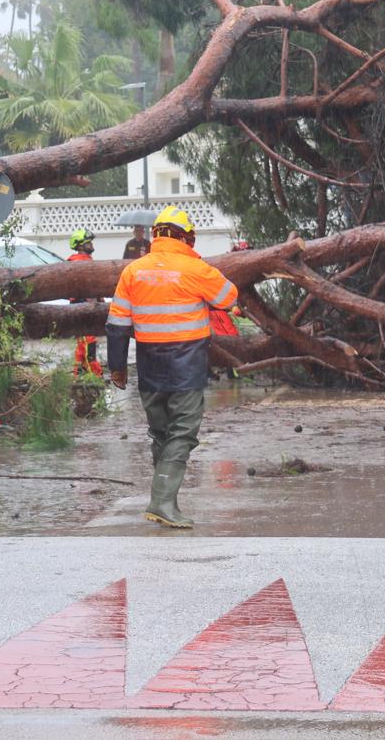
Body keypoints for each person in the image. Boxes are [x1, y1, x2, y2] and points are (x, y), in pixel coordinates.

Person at [106, 206, 238, 529]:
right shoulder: (196, 269)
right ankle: (162, 501)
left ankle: (166, 501)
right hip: (186, 367)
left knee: (161, 434)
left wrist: (117, 368)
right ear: (186, 237)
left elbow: (116, 325)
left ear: (155, 236)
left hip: (149, 367)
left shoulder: (133, 272)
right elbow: (229, 296)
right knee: (182, 432)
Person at [67, 228, 104, 380]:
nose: (91, 244)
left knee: (82, 348)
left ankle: (78, 377)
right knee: (89, 348)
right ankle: (96, 378)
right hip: (83, 311)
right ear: (80, 245)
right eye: (88, 242)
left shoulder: (83, 261)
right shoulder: (77, 262)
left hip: (87, 310)